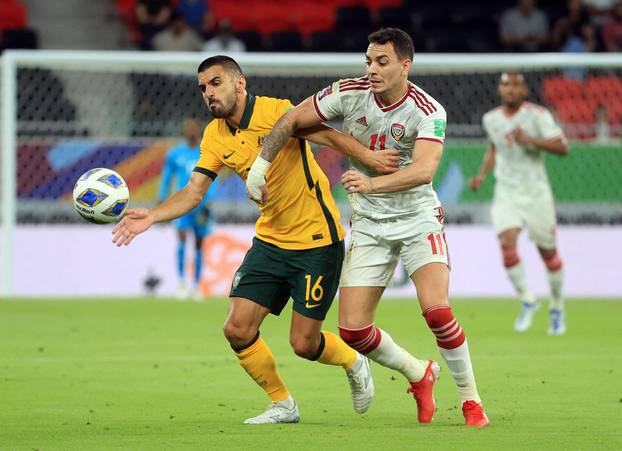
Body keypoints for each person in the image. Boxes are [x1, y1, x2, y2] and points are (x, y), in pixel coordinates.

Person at [112, 55, 402, 424]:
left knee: (304, 344)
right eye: (202, 87)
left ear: (240, 83)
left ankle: (352, 360)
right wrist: (151, 215)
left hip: (317, 239)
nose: (208, 93)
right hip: (270, 240)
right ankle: (282, 403)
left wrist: (370, 158)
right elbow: (194, 191)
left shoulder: (277, 112)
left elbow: (329, 135)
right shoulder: (214, 136)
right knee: (236, 328)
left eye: (215, 83)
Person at [246, 28, 489, 427]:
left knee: (437, 312)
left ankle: (470, 400)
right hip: (370, 223)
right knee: (353, 330)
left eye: (382, 62)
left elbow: (425, 170)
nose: (371, 69)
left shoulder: (428, 110)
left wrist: (371, 181)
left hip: (417, 219)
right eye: (368, 61)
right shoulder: (348, 92)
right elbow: (292, 120)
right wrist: (261, 167)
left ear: (405, 65)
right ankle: (420, 372)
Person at [470, 72, 569, 336]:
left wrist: (531, 140)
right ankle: (527, 299)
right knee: (507, 243)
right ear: (499, 90)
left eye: (515, 84)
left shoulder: (538, 115)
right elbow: (494, 147)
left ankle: (557, 305)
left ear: (524, 90)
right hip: (507, 192)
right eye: (504, 84)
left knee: (547, 253)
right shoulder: (490, 119)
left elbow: (563, 147)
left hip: (536, 192)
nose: (509, 89)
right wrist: (481, 174)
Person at [158, 118, 215, 300]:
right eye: (188, 128)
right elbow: (167, 178)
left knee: (199, 243)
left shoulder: (205, 151)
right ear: (184, 131)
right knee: (182, 239)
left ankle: (197, 285)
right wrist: (162, 199)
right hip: (182, 204)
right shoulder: (175, 154)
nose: (191, 131)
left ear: (198, 131)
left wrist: (210, 202)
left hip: (201, 205)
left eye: (194, 128)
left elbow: (213, 178)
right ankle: (182, 283)